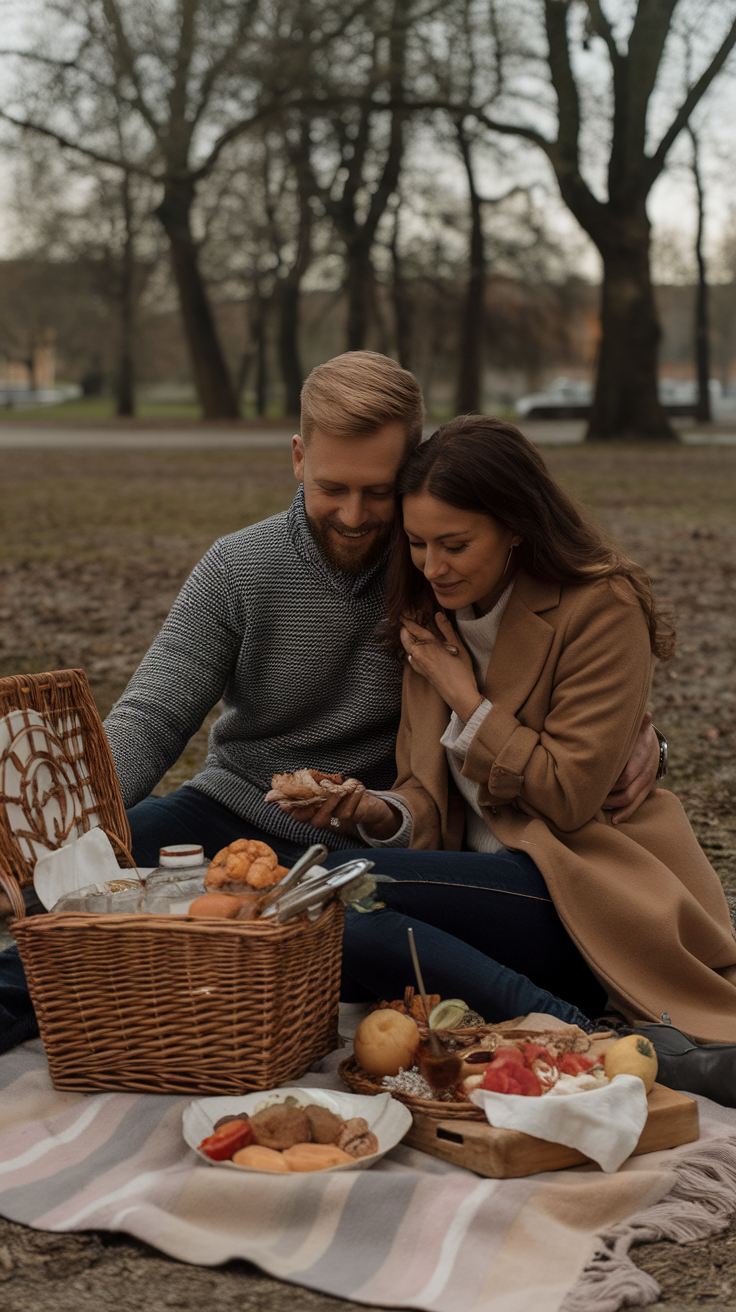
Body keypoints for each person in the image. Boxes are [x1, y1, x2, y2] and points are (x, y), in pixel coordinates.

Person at [0, 355, 658, 1055]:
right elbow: (152, 716)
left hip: (375, 837)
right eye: (331, 487)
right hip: (233, 811)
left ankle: (566, 1033)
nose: (353, 516)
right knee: (75, 886)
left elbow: (545, 678)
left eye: (378, 491)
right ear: (297, 458)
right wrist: (56, 838)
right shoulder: (238, 567)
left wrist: (640, 740)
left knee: (331, 910)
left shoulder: (437, 573)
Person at [286, 415, 736, 1100]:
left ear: (517, 526)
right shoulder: (431, 619)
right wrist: (376, 811)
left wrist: (467, 698)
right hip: (495, 896)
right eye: (415, 544)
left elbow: (568, 795)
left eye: (455, 544)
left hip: (589, 895)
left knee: (343, 889)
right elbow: (430, 801)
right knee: (320, 911)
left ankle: (591, 1041)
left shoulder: (599, 606)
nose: (432, 565)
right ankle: (582, 1033)